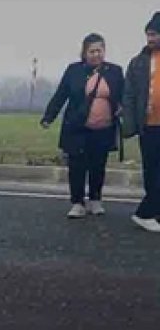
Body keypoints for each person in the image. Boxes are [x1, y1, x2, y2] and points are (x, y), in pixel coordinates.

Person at [42, 34, 125, 219]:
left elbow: (124, 95)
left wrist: (123, 109)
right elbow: (61, 95)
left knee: (98, 165)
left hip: (104, 128)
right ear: (84, 52)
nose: (96, 54)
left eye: (99, 50)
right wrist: (49, 116)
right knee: (77, 166)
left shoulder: (115, 71)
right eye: (92, 51)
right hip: (77, 127)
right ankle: (77, 202)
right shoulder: (74, 71)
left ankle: (96, 199)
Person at [121, 12, 160, 232]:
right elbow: (129, 95)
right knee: (152, 171)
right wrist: (130, 123)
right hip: (149, 126)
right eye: (148, 34)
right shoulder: (138, 62)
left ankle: (149, 211)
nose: (150, 39)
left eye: (154, 34)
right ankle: (146, 213)